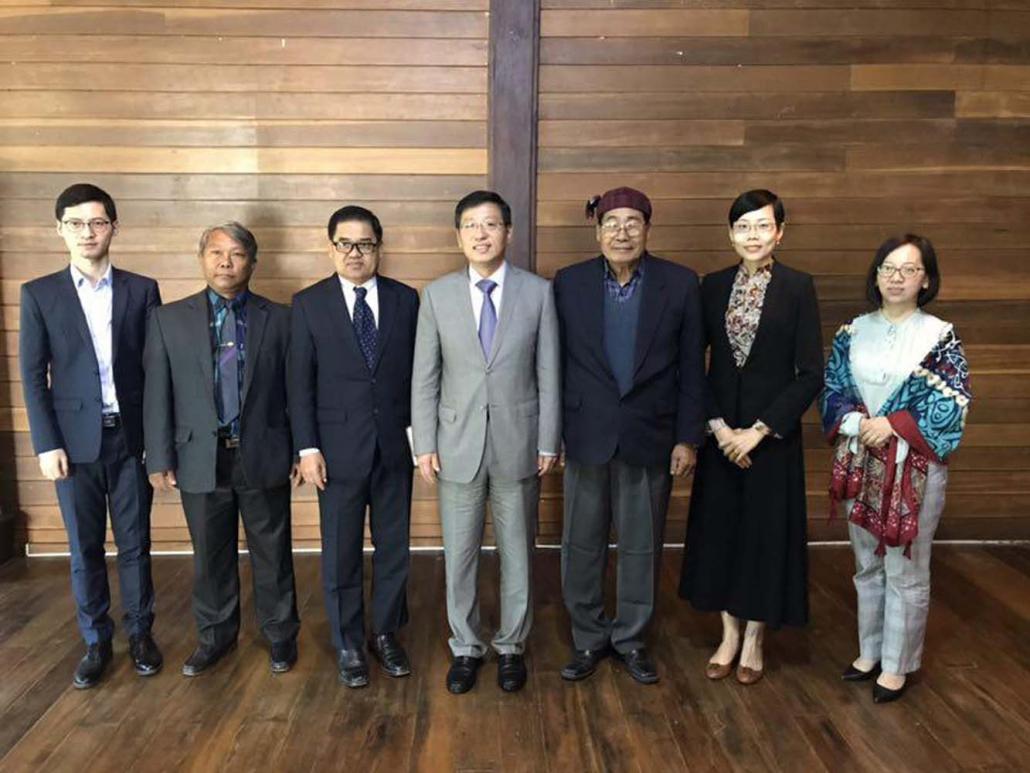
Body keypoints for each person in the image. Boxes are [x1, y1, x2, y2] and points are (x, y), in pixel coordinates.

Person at [411, 190, 560, 694]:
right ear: (458, 236)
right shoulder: (436, 295)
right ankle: (467, 646)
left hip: (519, 441)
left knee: (518, 551)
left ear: (508, 233)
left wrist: (547, 439)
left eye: (491, 224)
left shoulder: (538, 293)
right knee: (460, 555)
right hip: (456, 445)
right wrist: (424, 442)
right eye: (471, 226)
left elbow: (549, 372)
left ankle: (512, 646)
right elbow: (424, 378)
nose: (481, 234)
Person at [554, 186, 704, 685]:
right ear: (596, 231)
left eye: (632, 223)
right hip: (586, 432)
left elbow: (691, 370)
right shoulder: (568, 283)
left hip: (651, 435)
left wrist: (687, 438)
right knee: (581, 543)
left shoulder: (679, 284)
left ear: (647, 229)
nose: (622, 232)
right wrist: (550, 436)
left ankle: (632, 639)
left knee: (642, 545)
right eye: (611, 223)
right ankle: (588, 638)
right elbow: (551, 366)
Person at [20, 183, 162, 688]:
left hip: (131, 438)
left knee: (136, 544)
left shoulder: (142, 289)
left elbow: (155, 370)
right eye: (76, 223)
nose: (87, 232)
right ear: (59, 229)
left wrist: (156, 439)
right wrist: (46, 442)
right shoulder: (38, 294)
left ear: (114, 228)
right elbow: (34, 375)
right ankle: (96, 641)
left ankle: (141, 634)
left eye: (97, 222)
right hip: (72, 444)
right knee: (84, 548)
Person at [679, 189, 824, 685]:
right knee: (722, 532)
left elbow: (809, 373)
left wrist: (758, 433)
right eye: (743, 227)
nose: (753, 235)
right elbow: (693, 365)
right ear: (731, 234)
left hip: (771, 440)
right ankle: (728, 633)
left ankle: (756, 636)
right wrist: (719, 429)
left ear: (780, 232)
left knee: (765, 537)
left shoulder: (799, 287)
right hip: (721, 436)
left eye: (763, 226)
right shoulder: (712, 286)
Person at [144, 222, 300, 676]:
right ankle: (215, 637)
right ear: (202, 259)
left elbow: (294, 391)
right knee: (209, 555)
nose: (225, 262)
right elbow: (158, 393)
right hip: (198, 455)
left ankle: (280, 636)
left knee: (273, 552)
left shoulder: (283, 318)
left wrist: (297, 449)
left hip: (264, 452)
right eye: (215, 253)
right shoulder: (167, 319)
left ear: (254, 261)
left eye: (236, 254)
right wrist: (158, 456)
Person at [822, 234, 971, 703]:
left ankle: (898, 662)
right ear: (876, 274)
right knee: (867, 564)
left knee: (906, 567)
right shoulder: (852, 330)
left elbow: (952, 402)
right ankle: (869, 652)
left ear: (926, 278)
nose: (897, 277)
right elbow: (833, 388)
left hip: (914, 470)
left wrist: (893, 425)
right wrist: (860, 422)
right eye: (888, 268)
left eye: (908, 269)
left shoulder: (939, 336)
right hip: (858, 459)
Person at [290, 206, 419, 688]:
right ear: (330, 248)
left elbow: (417, 378)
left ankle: (385, 633)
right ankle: (347, 641)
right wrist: (306, 448)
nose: (354, 253)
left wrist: (420, 440)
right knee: (340, 550)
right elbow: (298, 384)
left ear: (378, 248)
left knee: (394, 549)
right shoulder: (308, 304)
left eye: (364, 244)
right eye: (344, 243)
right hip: (335, 451)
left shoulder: (407, 300)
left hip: (394, 449)